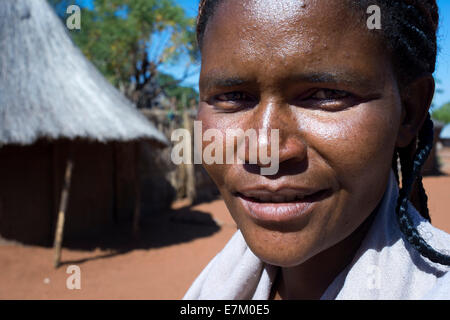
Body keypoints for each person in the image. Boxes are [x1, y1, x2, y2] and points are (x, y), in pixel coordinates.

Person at [183, 0, 450, 299]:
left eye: (326, 94)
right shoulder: (213, 289)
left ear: (409, 112)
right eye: (232, 96)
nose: (264, 150)